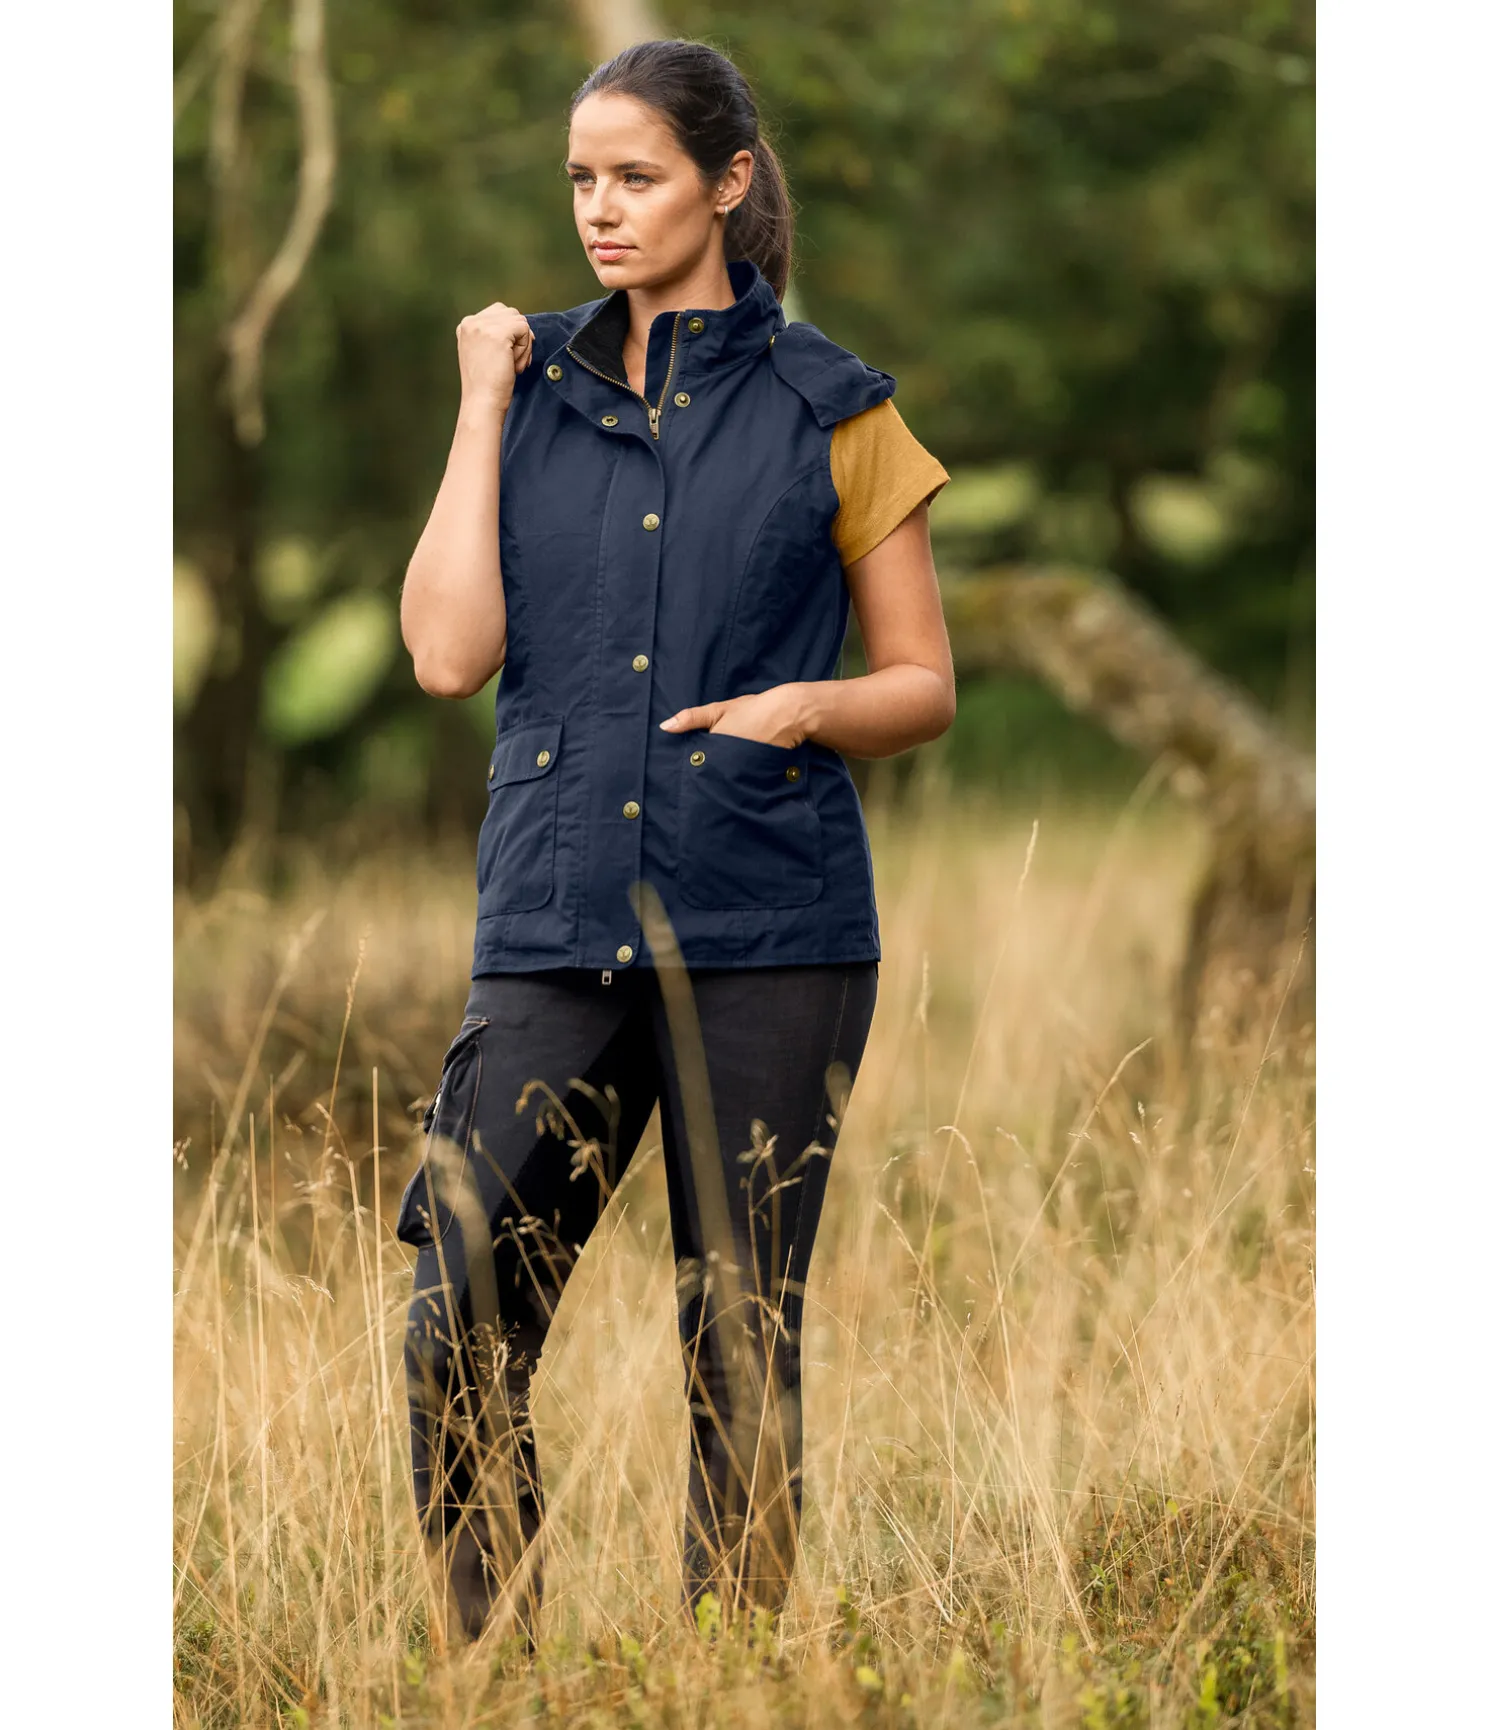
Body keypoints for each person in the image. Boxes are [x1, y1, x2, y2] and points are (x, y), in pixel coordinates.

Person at [393, 37, 955, 1650]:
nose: (600, 209)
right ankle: (494, 1666)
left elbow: (922, 683)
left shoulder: (837, 406)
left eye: (635, 177)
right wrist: (479, 401)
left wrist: (803, 705)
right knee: (455, 1318)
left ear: (725, 182)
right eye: (581, 179)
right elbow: (445, 654)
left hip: (770, 923)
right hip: (551, 916)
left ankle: (729, 1675)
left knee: (737, 1333)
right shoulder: (527, 392)